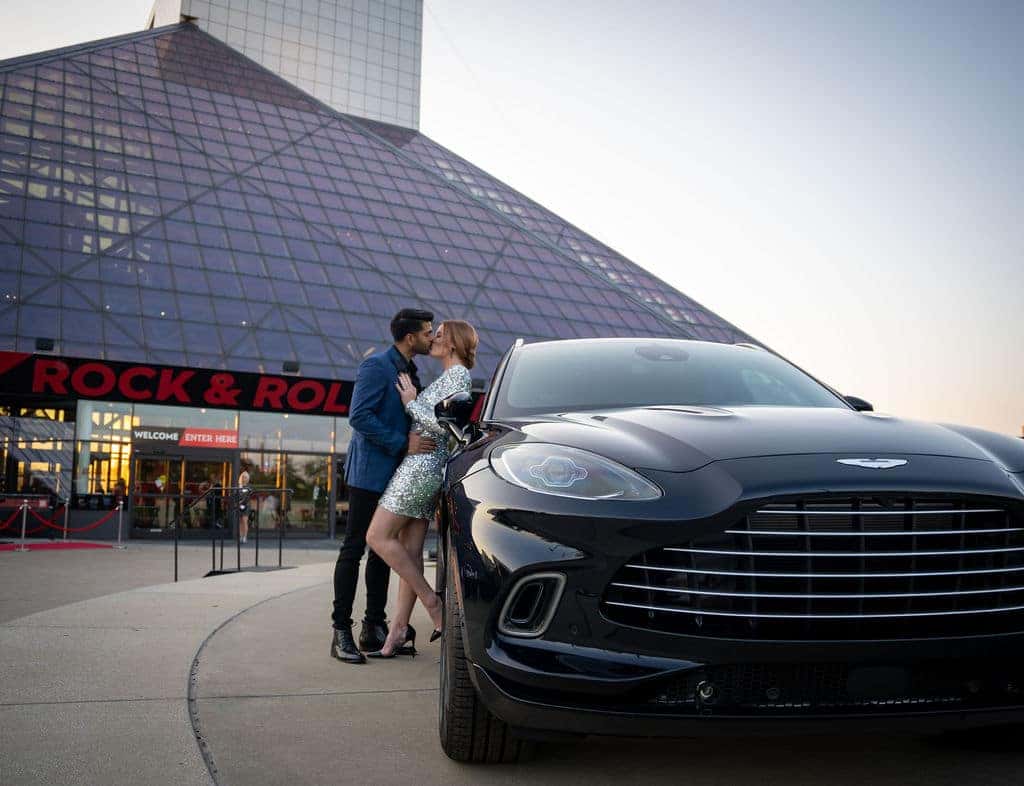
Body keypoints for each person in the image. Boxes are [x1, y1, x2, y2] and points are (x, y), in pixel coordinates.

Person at [330, 308, 437, 664]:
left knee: (381, 553)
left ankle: (372, 627)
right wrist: (401, 443)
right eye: (427, 332)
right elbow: (359, 416)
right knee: (355, 549)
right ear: (410, 337)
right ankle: (340, 632)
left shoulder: (410, 372)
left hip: (394, 475)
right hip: (368, 475)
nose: (431, 336)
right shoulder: (377, 367)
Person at [365, 320, 477, 658]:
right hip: (423, 467)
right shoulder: (447, 377)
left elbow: (447, 429)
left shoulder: (459, 377)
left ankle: (432, 602)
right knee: (409, 553)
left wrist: (412, 403)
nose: (434, 339)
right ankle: (398, 629)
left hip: (422, 467)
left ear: (454, 343)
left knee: (377, 536)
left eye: (440, 334)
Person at [238, 464, 251, 543]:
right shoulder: (239, 486)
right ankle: (240, 536)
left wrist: (242, 503)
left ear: (248, 478)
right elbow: (237, 495)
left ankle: (245, 537)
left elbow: (247, 497)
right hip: (239, 506)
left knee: (244, 521)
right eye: (243, 477)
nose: (244, 478)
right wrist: (238, 503)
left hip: (246, 506)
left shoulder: (249, 487)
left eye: (246, 477)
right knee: (240, 522)